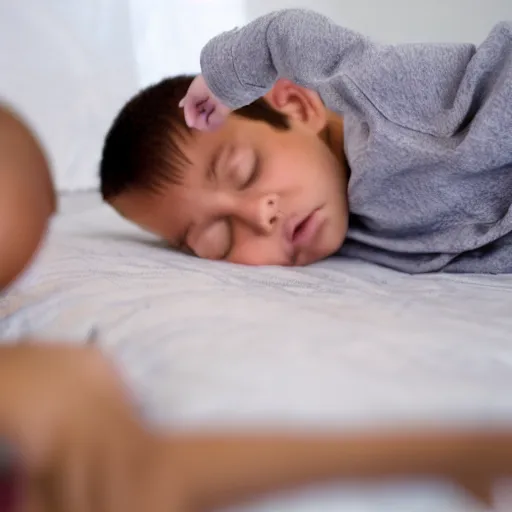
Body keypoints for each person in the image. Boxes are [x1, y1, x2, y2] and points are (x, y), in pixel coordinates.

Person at [100, 9, 512, 274]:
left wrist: (225, 76)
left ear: (297, 106)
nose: (260, 216)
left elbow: (288, 37)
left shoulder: (378, 106)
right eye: (217, 239)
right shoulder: (346, 227)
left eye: (245, 172)